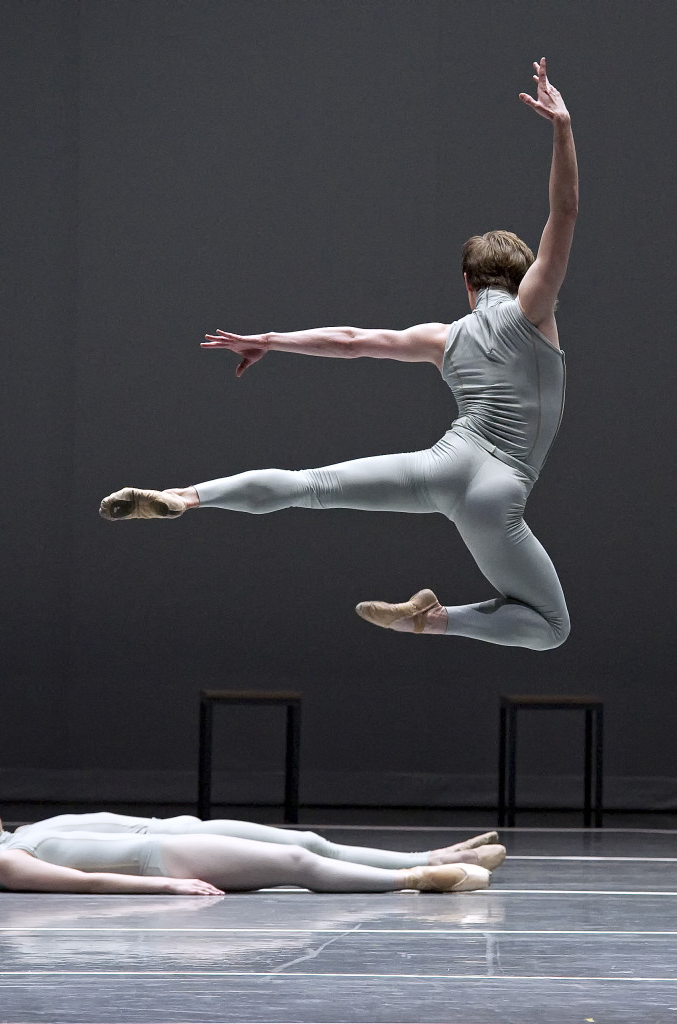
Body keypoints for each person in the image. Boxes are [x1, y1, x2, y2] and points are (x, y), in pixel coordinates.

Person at [99, 59, 578, 652]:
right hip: (497, 490)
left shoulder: (443, 336)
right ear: (525, 274)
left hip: (442, 466)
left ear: (467, 285)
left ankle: (186, 496)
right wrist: (561, 128)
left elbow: (351, 342)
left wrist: (270, 340)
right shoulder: (535, 309)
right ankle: (431, 620)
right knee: (551, 628)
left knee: (310, 484)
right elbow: (564, 213)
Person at [0, 808, 505, 894]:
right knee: (297, 866)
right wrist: (168, 886)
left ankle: (428, 855)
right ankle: (416, 881)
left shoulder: (12, 838)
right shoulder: (7, 863)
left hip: (169, 832)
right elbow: (89, 883)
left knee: (305, 840)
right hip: (167, 859)